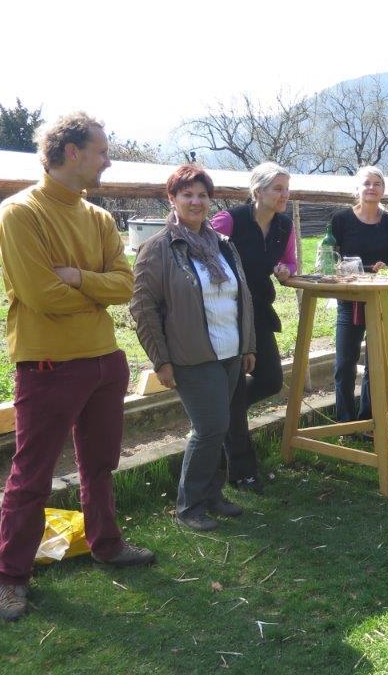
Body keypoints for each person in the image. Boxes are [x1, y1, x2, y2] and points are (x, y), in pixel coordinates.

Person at [0, 112, 155, 622]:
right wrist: (95, 290)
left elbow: (125, 285)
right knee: (32, 475)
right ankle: (10, 577)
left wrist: (79, 279)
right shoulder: (20, 213)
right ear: (72, 152)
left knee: (100, 464)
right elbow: (41, 295)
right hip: (48, 365)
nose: (108, 161)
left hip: (105, 360)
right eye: (102, 151)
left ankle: (107, 544)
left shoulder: (99, 218)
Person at [131, 165, 257, 532]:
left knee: (220, 426)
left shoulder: (223, 245)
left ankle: (212, 495)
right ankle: (189, 507)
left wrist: (248, 344)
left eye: (202, 195)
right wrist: (161, 360)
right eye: (187, 194)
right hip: (191, 355)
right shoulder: (158, 248)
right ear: (172, 199)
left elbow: (242, 295)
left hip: (229, 350)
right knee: (210, 427)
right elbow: (143, 308)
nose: (196, 201)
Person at [210, 163, 296, 493]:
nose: (284, 195)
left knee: (270, 379)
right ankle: (242, 472)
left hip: (259, 310)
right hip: (226, 312)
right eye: (278, 188)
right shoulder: (229, 220)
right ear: (258, 191)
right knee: (233, 393)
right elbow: (205, 256)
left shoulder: (284, 225)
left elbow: (290, 261)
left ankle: (221, 413)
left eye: (286, 188)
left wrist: (285, 269)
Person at [330, 165, 388, 422]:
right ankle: (345, 422)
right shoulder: (341, 220)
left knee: (376, 363)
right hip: (350, 298)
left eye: (377, 183)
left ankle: (369, 419)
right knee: (344, 363)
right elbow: (329, 259)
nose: (371, 188)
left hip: (382, 298)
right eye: (367, 183)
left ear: (383, 189)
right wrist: (344, 269)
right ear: (357, 188)